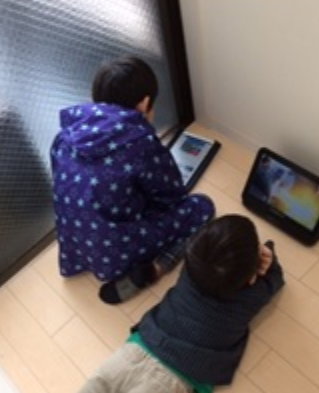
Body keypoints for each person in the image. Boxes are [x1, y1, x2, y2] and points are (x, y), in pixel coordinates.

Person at [19, 214, 284, 393]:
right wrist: (268, 254)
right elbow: (275, 279)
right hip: (170, 385)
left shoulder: (190, 270)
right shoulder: (250, 297)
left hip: (134, 351)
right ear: (250, 277)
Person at [50, 55, 215, 304]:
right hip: (113, 251)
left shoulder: (66, 134)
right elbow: (171, 196)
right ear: (144, 104)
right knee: (202, 207)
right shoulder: (141, 143)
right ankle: (155, 268)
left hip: (74, 244)